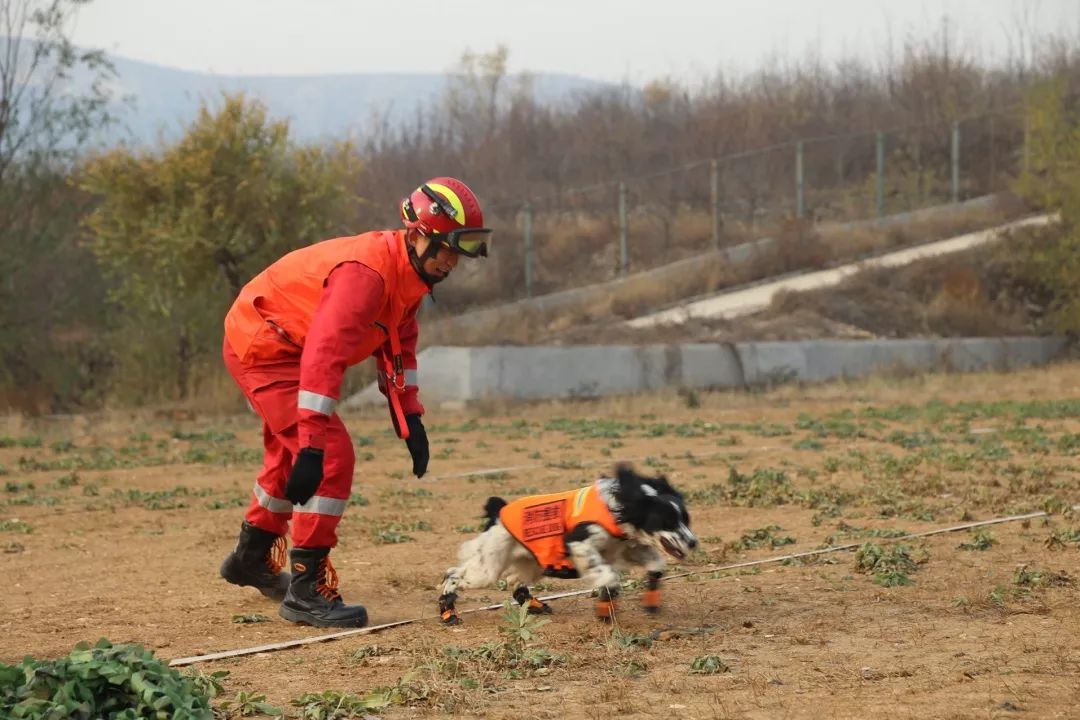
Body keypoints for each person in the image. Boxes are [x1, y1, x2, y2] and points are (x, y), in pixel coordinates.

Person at [218, 177, 491, 628]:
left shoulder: (409, 277)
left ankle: (250, 557)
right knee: (329, 456)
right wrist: (311, 443)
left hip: (287, 347)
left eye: (459, 253)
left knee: (290, 461)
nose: (452, 262)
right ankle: (306, 590)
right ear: (418, 235)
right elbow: (323, 358)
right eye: (446, 249)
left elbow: (399, 347)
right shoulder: (366, 277)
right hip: (267, 349)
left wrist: (412, 421)